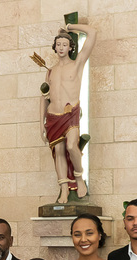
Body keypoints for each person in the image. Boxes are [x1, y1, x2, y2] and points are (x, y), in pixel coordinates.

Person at [41, 23, 97, 201]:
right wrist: (40, 124)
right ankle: (63, 186)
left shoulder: (77, 64)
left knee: (72, 146)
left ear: (71, 47)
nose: (61, 48)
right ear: (54, 47)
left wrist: (71, 26)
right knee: (58, 151)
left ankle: (79, 177)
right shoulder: (50, 72)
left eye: (65, 44)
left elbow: (92, 33)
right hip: (52, 116)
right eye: (58, 45)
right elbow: (44, 98)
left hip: (70, 113)